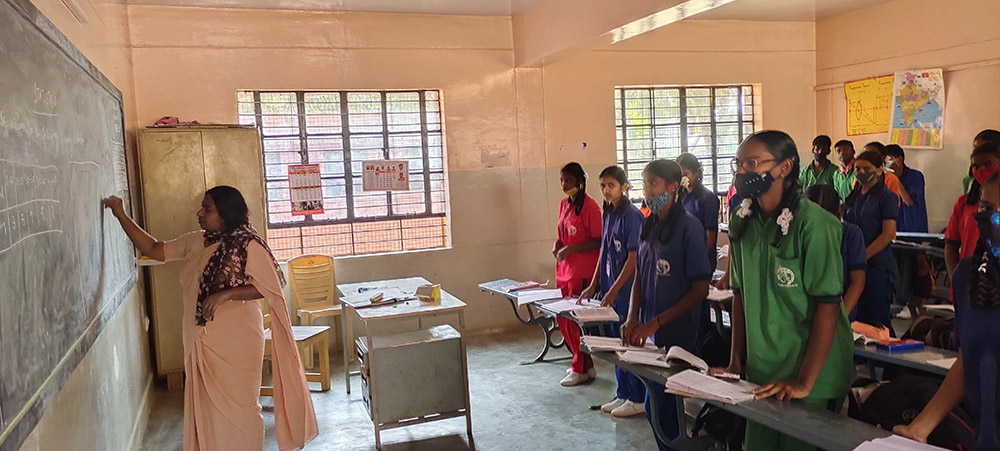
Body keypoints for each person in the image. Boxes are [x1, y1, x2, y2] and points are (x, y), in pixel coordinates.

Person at [103, 187, 318, 451]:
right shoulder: (197, 240)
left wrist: (226, 295)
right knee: (208, 409)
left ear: (226, 215)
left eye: (208, 209)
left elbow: (271, 286)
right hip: (201, 338)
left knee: (241, 408)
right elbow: (154, 248)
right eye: (202, 207)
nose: (200, 213)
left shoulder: (247, 243)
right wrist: (120, 214)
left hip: (238, 341)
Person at [711, 130, 852, 451]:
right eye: (739, 163)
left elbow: (828, 306)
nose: (742, 171)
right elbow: (739, 294)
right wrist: (736, 363)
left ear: (785, 168)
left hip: (811, 375)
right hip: (764, 370)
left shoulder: (814, 224)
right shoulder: (741, 221)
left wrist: (804, 382)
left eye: (752, 163)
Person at [894, 171, 1000, 449]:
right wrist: (920, 427)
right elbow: (968, 360)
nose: (994, 218)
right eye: (988, 208)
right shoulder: (970, 276)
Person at [621, 159, 710, 451]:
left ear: (672, 188)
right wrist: (633, 316)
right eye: (644, 183)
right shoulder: (648, 223)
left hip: (677, 339)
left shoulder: (689, 228)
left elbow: (699, 290)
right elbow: (639, 277)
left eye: (653, 184)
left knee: (667, 415)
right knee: (654, 408)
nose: (647, 191)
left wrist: (656, 322)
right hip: (650, 339)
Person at [579, 166, 646, 417]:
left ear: (624, 186)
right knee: (615, 343)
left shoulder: (632, 215)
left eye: (611, 185)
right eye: (603, 186)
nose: (606, 191)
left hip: (626, 291)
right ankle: (623, 392)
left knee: (628, 343)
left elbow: (633, 258)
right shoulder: (608, 213)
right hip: (610, 290)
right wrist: (595, 283)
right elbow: (604, 251)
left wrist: (616, 289)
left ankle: (637, 397)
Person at [553, 162, 603, 386]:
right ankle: (584, 363)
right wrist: (559, 244)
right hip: (564, 270)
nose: (564, 185)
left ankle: (580, 367)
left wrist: (572, 248)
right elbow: (563, 233)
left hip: (582, 271)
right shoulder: (564, 204)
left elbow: (599, 240)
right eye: (562, 180)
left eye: (569, 181)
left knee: (576, 320)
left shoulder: (590, 207)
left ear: (580, 182)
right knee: (562, 317)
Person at [842, 150, 899, 330]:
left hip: (876, 266)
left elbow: (887, 234)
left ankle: (880, 359)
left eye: (867, 168)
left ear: (880, 169)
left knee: (876, 321)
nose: (861, 172)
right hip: (852, 266)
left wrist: (862, 256)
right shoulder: (853, 196)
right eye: (857, 168)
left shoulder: (886, 197)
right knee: (854, 319)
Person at [675, 153, 720, 347]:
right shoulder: (681, 196)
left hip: (701, 262)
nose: (683, 178)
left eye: (686, 174)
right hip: (683, 261)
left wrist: (697, 258)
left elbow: (710, 235)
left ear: (696, 173)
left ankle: (704, 347)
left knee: (699, 306)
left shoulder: (707, 198)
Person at [805, 184, 867, 317]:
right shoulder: (800, 234)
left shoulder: (850, 235)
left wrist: (840, 318)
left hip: (840, 307)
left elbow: (857, 282)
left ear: (837, 213)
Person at [945, 142, 1000, 277]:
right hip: (970, 284)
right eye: (976, 166)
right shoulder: (964, 203)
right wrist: (956, 281)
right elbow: (951, 245)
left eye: (989, 165)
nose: (981, 170)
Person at [885, 144, 927, 233]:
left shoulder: (915, 176)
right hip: (893, 229)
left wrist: (895, 179)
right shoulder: (886, 178)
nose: (887, 165)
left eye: (889, 160)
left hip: (913, 229)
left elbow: (909, 202)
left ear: (899, 159)